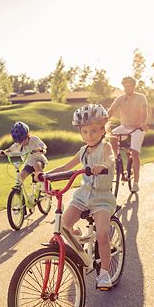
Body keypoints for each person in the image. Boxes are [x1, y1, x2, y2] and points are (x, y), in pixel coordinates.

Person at [48, 104, 116, 289]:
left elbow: (111, 159)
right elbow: (65, 167)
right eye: (84, 131)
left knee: (102, 234)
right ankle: (78, 237)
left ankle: (104, 273)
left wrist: (103, 166)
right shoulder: (83, 151)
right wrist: (46, 175)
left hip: (102, 198)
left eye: (93, 131)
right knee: (63, 226)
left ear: (102, 130)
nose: (89, 135)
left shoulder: (106, 147)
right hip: (83, 195)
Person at [107, 76, 148, 193]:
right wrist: (102, 122)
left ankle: (135, 183)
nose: (126, 88)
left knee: (134, 153)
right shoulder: (120, 98)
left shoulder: (141, 98)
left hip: (138, 128)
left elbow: (144, 112)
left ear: (133, 86)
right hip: (124, 127)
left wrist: (143, 122)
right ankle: (117, 158)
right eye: (125, 86)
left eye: (129, 86)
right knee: (112, 136)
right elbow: (111, 111)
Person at [0, 121, 48, 188]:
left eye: (23, 140)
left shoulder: (34, 139)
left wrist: (40, 149)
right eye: (19, 141)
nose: (21, 143)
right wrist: (3, 152)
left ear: (27, 135)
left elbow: (43, 147)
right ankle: (18, 192)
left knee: (36, 165)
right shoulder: (18, 144)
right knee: (20, 177)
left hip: (39, 161)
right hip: (29, 163)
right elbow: (10, 150)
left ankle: (44, 185)